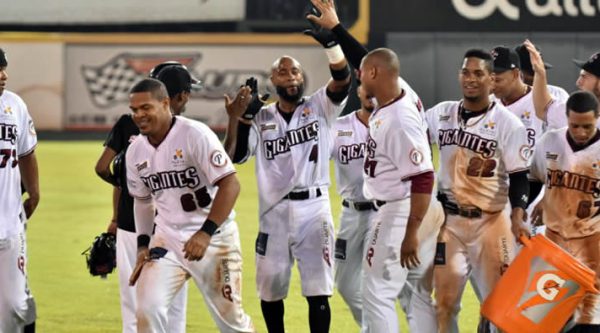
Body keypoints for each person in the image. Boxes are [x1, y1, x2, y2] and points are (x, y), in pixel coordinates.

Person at [223, 25, 351, 331]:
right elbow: (238, 156)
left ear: (302, 78)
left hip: (314, 210)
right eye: (282, 72)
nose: (290, 75)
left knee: (319, 291)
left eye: (294, 71)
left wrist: (332, 45)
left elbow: (343, 81)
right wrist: (243, 119)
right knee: (270, 290)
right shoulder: (262, 118)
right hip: (274, 213)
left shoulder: (321, 106)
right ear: (272, 81)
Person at [125, 78, 254, 333]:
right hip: (168, 240)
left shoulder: (195, 134)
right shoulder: (135, 151)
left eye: (146, 108)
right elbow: (142, 201)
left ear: (165, 104)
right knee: (147, 309)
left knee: (232, 324)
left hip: (215, 240)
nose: (139, 115)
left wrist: (206, 232)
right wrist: (142, 245)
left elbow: (231, 185)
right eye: (134, 110)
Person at [424, 49, 531, 333]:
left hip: (492, 222)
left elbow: (520, 177)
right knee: (444, 304)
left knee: (500, 307)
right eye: (465, 72)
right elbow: (410, 133)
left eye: (478, 73)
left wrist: (518, 214)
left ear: (491, 79)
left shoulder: (509, 124)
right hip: (450, 223)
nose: (470, 79)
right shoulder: (441, 113)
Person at [94, 61, 198, 333]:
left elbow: (102, 168)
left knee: (134, 305)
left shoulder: (129, 124)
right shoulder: (188, 130)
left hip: (132, 227)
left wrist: (125, 194)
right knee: (174, 305)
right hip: (173, 228)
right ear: (179, 95)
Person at [529, 90, 600, 333]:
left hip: (593, 245)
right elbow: (533, 178)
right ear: (567, 118)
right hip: (554, 243)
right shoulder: (550, 141)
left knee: (588, 317)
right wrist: (532, 203)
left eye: (587, 127)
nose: (580, 132)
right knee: (543, 315)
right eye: (575, 125)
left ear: (598, 118)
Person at [0, 48, 39, 333]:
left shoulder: (14, 104)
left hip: (9, 224)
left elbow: (26, 152)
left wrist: (35, 192)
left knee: (15, 306)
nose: (3, 75)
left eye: (4, 68)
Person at [526, 40, 600, 129]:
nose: (578, 82)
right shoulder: (578, 112)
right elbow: (543, 109)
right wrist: (539, 73)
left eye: (584, 76)